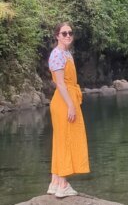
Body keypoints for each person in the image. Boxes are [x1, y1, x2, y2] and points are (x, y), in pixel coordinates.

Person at [47, 22, 90, 198]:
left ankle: (55, 182)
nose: (68, 36)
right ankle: (63, 185)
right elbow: (60, 83)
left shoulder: (67, 53)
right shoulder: (57, 54)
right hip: (64, 101)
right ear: (57, 35)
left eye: (70, 33)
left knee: (60, 141)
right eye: (64, 33)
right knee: (66, 140)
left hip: (68, 98)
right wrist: (71, 105)